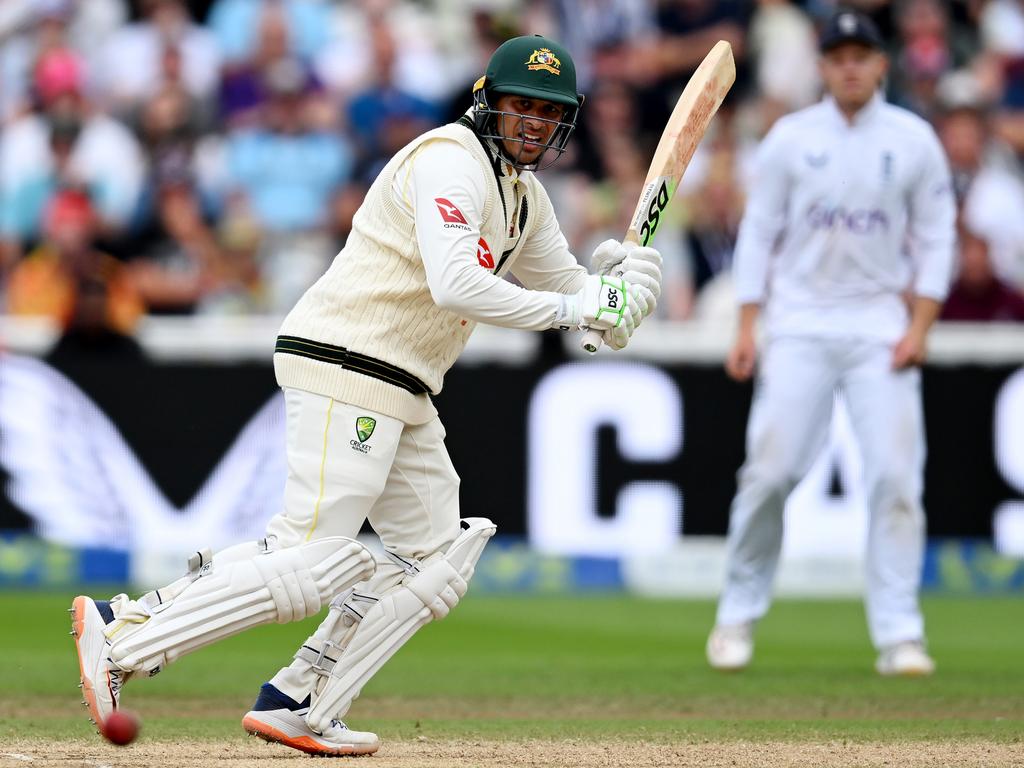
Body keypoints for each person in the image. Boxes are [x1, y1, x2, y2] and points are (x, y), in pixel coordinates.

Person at [70, 34, 662, 756]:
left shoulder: (523, 198)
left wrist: (622, 289)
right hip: (347, 357)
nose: (533, 123)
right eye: (521, 106)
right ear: (487, 103)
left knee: (436, 557)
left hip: (406, 383)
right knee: (315, 557)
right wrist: (584, 308)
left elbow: (574, 295)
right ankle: (127, 639)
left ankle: (302, 698)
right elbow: (460, 286)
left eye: (549, 112)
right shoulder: (450, 162)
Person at [705, 11, 956, 677]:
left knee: (896, 478)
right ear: (821, 66)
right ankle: (736, 613)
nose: (850, 67)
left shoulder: (913, 140)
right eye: (838, 56)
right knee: (769, 472)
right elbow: (759, 234)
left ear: (881, 64)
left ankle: (901, 633)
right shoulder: (790, 139)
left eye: (861, 56)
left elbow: (937, 236)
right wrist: (747, 325)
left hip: (880, 328)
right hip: (799, 324)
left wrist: (920, 328)